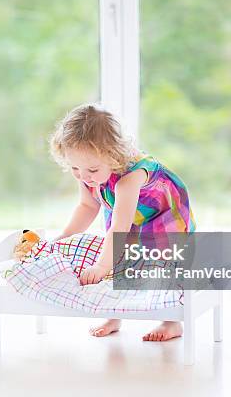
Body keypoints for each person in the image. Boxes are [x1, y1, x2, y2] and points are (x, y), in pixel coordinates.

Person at [49, 103, 195, 341]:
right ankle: (114, 312)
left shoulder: (131, 177)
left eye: (91, 170)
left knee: (161, 262)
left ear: (113, 156)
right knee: (118, 253)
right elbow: (87, 207)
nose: (84, 176)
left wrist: (100, 267)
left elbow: (120, 228)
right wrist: (63, 238)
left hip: (162, 214)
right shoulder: (89, 172)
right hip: (125, 211)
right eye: (74, 168)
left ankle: (172, 321)